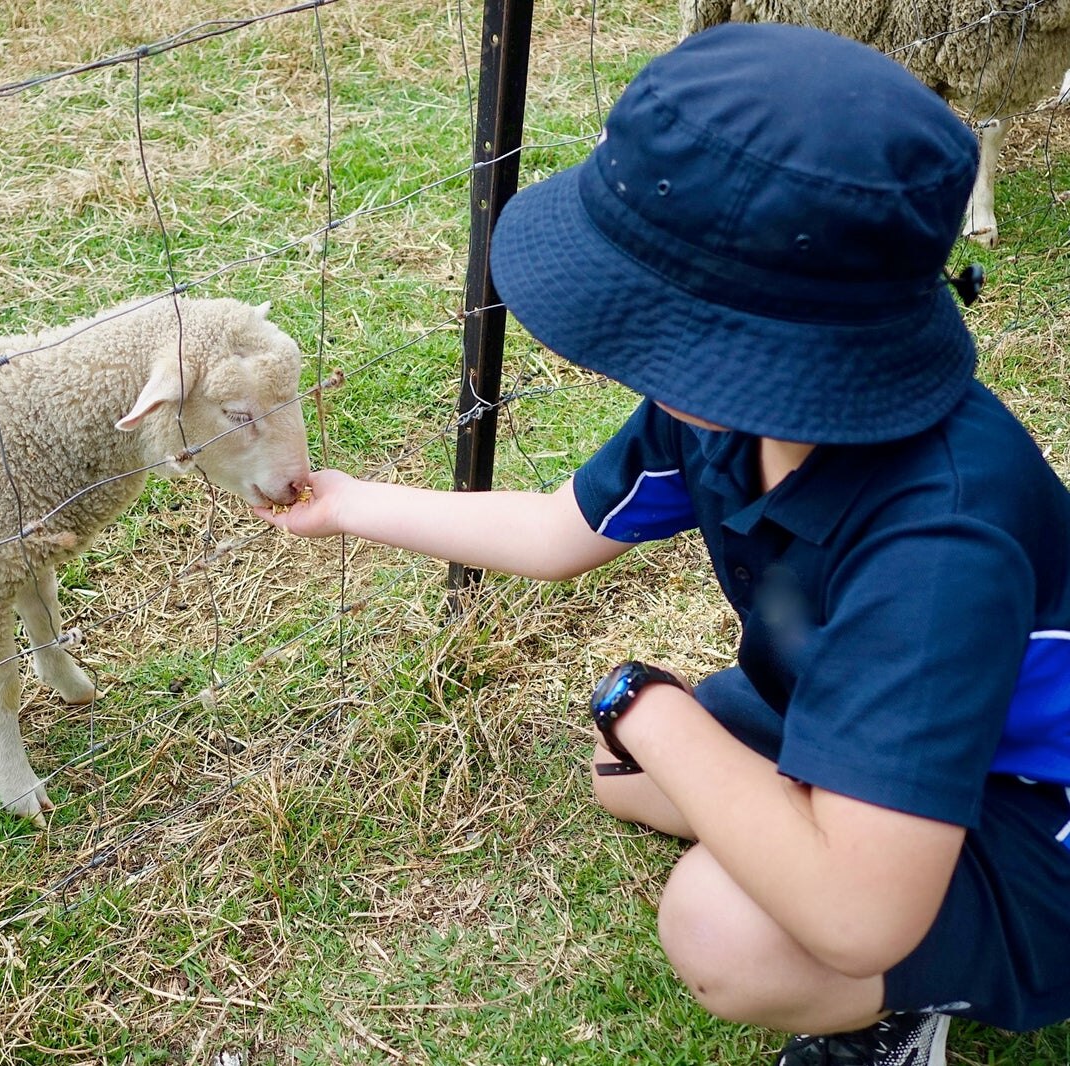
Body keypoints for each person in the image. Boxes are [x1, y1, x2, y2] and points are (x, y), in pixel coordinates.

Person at [256, 22, 1070, 1066]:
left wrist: (651, 704)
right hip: (861, 712)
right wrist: (347, 503)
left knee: (725, 926)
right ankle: (828, 824)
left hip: (1030, 801)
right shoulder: (729, 413)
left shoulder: (938, 538)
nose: (630, 351)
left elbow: (860, 918)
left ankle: (901, 1013)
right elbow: (558, 530)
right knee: (617, 772)